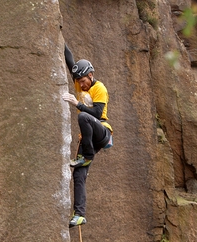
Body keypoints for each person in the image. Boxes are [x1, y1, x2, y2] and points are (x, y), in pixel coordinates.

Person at [62, 44, 113, 227]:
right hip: (88, 136)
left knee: (83, 115)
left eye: (83, 81)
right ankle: (80, 215)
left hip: (102, 131)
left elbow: (98, 114)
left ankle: (87, 155)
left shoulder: (99, 88)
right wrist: (56, 30)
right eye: (79, 82)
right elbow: (70, 60)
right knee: (79, 175)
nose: (81, 85)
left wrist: (77, 103)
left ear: (90, 75)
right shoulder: (79, 81)